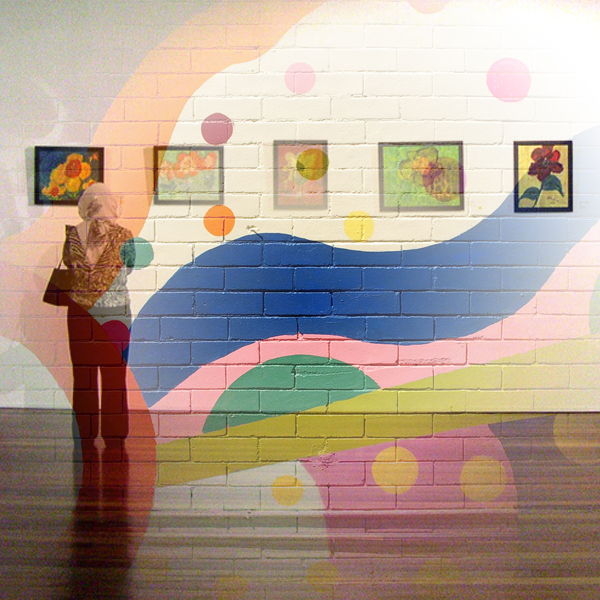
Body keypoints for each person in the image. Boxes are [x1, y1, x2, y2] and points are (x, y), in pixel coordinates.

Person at [62, 182, 135, 465]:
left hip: (79, 316)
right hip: (115, 316)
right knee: (115, 379)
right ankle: (115, 436)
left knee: (83, 378)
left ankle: (85, 433)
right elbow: (129, 269)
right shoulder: (125, 236)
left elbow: (70, 266)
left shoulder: (71, 236)